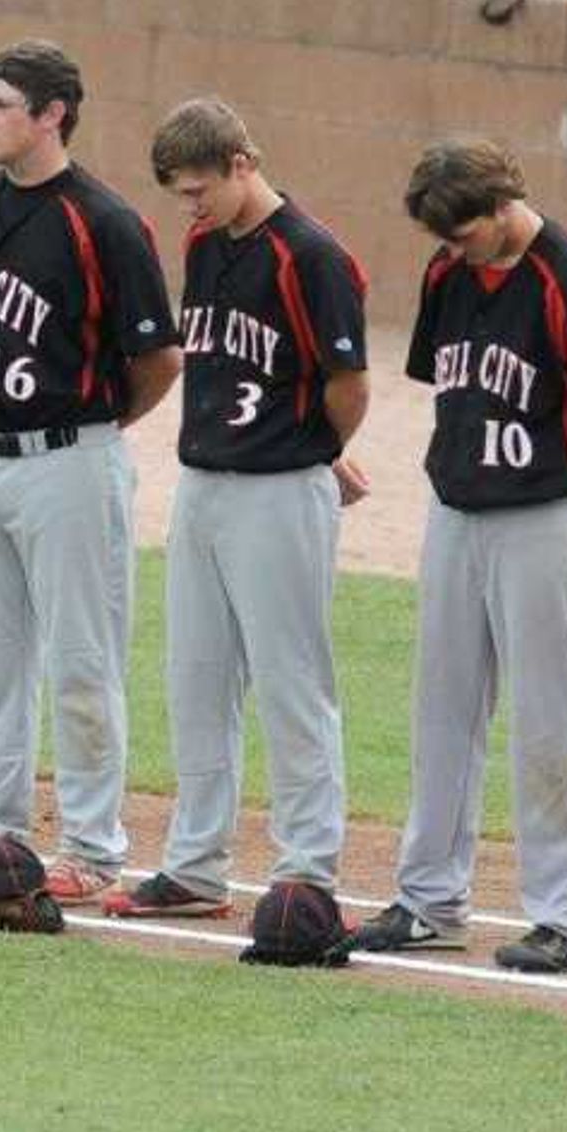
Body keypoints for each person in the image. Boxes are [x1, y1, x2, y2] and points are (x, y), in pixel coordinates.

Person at [340, 139, 567, 974]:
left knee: (554, 719)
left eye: (465, 233)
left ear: (507, 205)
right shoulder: (449, 275)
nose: (453, 250)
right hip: (458, 512)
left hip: (546, 515)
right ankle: (429, 899)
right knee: (442, 710)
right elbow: (451, 389)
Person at [0, 40, 177, 901]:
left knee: (82, 659)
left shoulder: (103, 222)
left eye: (1, 104)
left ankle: (94, 848)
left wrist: (94, 426)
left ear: (52, 114)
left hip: (71, 459)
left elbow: (158, 358)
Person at [114, 97, 367, 917]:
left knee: (293, 682)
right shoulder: (205, 244)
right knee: (197, 678)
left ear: (242, 164)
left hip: (280, 492)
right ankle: (194, 865)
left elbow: (347, 384)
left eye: (199, 190)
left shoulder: (310, 256)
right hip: (206, 486)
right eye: (181, 195)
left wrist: (316, 451)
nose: (191, 207)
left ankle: (308, 866)